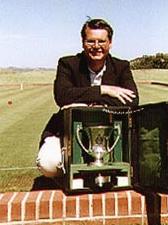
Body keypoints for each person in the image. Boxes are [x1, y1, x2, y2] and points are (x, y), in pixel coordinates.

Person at [36, 18, 139, 177]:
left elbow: (132, 100)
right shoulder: (67, 64)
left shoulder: (121, 66)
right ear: (83, 42)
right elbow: (62, 96)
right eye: (91, 41)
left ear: (110, 43)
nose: (96, 46)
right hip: (67, 131)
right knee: (48, 164)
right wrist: (103, 90)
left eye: (101, 41)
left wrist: (81, 102)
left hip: (110, 133)